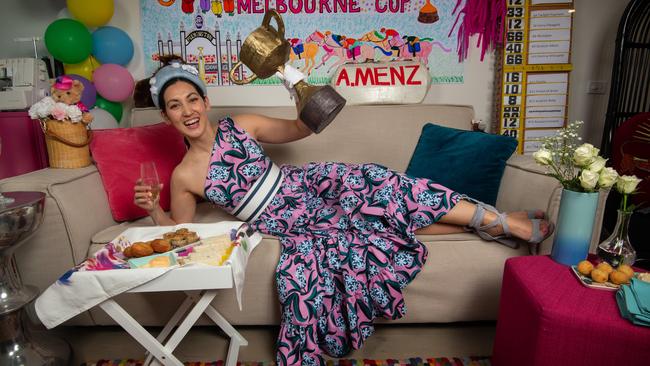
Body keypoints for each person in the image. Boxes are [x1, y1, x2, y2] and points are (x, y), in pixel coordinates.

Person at [133, 61, 553, 365]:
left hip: (305, 183)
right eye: (174, 105)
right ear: (165, 115)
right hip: (284, 220)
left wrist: (296, 82)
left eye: (192, 99)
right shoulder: (182, 176)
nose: (187, 110)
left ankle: (495, 220)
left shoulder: (240, 125)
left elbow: (302, 128)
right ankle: (496, 224)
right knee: (357, 234)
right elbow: (182, 234)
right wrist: (155, 211)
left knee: (377, 183)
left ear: (206, 101)